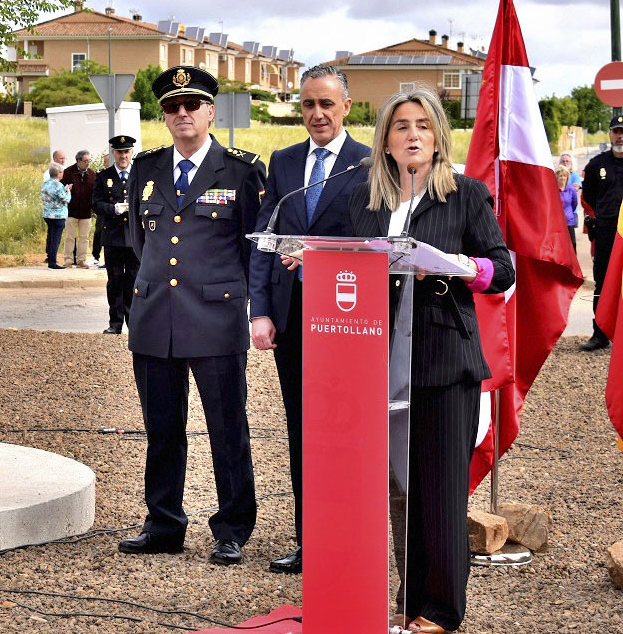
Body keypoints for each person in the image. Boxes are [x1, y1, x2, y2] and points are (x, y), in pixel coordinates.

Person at [348, 87, 513, 634]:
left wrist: (455, 265)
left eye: (423, 124)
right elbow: (345, 261)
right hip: (375, 361)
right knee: (400, 490)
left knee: (439, 491)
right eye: (401, 126)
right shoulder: (366, 200)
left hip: (445, 362)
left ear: (439, 135)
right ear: (386, 141)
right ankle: (406, 600)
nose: (412, 134)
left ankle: (440, 610)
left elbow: (502, 270)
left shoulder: (464, 195)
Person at [118, 66, 265, 567]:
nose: (182, 113)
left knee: (227, 429)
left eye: (192, 105)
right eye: (172, 107)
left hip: (215, 319)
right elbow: (141, 241)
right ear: (164, 116)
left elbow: (254, 248)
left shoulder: (242, 170)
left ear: (210, 111)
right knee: (162, 428)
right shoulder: (146, 167)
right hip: (155, 316)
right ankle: (164, 523)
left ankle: (231, 528)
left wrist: (236, 297)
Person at [248, 64, 372, 575]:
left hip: (350, 324)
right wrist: (260, 310)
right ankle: (309, 540)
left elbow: (375, 245)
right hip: (294, 323)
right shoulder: (283, 161)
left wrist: (321, 257)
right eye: (307, 104)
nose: (316, 114)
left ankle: (351, 538)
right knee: (304, 433)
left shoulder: (370, 163)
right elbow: (265, 238)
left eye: (326, 104)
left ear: (347, 106)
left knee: (348, 433)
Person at [579, 113, 623, 352]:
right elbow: (588, 197)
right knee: (604, 283)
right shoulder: (597, 164)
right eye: (617, 131)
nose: (621, 136)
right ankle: (600, 334)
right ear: (610, 133)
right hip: (606, 233)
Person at [92, 134, 139, 333]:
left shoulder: (139, 174)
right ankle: (115, 323)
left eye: (126, 152)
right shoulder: (104, 177)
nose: (123, 156)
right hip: (113, 237)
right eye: (119, 152)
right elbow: (95, 204)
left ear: (132, 153)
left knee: (135, 281)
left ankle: (134, 323)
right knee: (115, 281)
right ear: (113, 153)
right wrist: (113, 209)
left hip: (135, 238)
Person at [60, 150, 96, 267]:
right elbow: (61, 189)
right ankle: (68, 260)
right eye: (85, 161)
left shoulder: (92, 174)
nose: (88, 163)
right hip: (71, 211)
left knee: (84, 238)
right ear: (78, 161)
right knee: (70, 237)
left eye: (89, 161)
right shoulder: (68, 172)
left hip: (86, 212)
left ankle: (81, 260)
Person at [41, 162, 71, 269]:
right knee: (56, 239)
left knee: (50, 236)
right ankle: (52, 263)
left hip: (48, 214)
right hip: (58, 216)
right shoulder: (58, 185)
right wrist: (68, 191)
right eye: (61, 172)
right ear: (58, 173)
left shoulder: (45, 183)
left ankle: (50, 258)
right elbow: (65, 199)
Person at [557, 166, 578, 253]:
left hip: (569, 220)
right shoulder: (553, 189)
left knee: (572, 244)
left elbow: (574, 203)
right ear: (557, 177)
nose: (562, 178)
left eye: (564, 176)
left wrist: (569, 213)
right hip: (557, 221)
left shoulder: (571, 189)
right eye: (561, 176)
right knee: (560, 245)